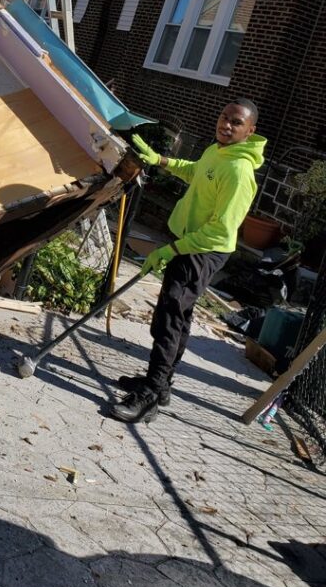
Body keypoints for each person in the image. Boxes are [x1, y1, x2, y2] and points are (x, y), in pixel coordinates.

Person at [111, 99, 266, 424]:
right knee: (177, 315)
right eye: (224, 117)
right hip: (189, 244)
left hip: (202, 250)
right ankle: (161, 384)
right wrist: (160, 160)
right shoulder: (218, 151)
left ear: (250, 131)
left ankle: (150, 396)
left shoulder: (239, 172)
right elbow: (195, 171)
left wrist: (171, 250)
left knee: (169, 319)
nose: (226, 125)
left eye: (236, 122)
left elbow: (221, 231)